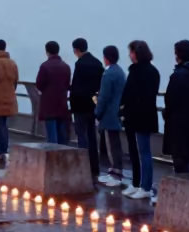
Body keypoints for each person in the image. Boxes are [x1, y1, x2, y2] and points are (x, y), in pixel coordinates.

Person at [120, 40, 160, 199]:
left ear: (137, 53)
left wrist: (125, 108)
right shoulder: (149, 71)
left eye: (131, 52)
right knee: (137, 151)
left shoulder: (141, 72)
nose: (129, 55)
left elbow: (134, 94)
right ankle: (138, 183)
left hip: (139, 115)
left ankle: (146, 186)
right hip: (140, 115)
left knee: (143, 152)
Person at [162, 40, 189, 173]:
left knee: (180, 159)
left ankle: (183, 189)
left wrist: (166, 114)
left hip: (178, 124)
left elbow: (170, 100)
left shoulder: (178, 75)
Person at [69, 39, 104, 180]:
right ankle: (94, 166)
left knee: (81, 136)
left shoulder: (80, 64)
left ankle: (81, 165)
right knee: (92, 136)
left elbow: (76, 86)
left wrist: (72, 104)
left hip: (80, 106)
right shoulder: (97, 63)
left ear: (77, 50)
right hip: (92, 105)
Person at [95, 46, 126, 186]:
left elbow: (104, 97)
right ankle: (115, 170)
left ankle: (115, 174)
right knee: (116, 143)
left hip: (108, 114)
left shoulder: (108, 74)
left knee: (110, 144)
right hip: (117, 113)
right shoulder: (120, 72)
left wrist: (97, 112)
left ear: (106, 57)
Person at [35, 41, 71, 144]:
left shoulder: (45, 66)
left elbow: (39, 84)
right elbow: (67, 84)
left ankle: (52, 155)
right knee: (61, 132)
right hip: (62, 102)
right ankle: (61, 155)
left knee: (51, 133)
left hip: (48, 103)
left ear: (47, 52)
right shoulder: (66, 66)